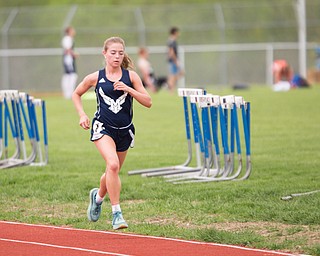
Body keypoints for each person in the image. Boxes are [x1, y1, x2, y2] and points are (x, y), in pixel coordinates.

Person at [72, 37, 152, 230]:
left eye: (120, 52)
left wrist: (129, 89)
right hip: (103, 128)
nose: (117, 56)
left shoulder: (131, 77)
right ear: (105, 53)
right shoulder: (95, 77)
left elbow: (148, 101)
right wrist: (82, 114)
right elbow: (76, 93)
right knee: (113, 165)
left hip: (124, 131)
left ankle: (98, 198)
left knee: (111, 171)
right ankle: (117, 214)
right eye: (113, 52)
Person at [61, 26, 78, 99]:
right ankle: (68, 93)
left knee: (70, 75)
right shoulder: (67, 39)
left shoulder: (69, 39)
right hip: (68, 59)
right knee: (71, 76)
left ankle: (69, 93)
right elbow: (67, 49)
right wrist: (74, 54)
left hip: (69, 59)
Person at [167, 27, 183, 92]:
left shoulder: (171, 40)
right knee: (173, 76)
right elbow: (171, 52)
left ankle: (170, 87)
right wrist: (175, 61)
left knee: (175, 75)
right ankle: (171, 90)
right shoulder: (172, 41)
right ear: (175, 32)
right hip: (173, 61)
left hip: (172, 60)